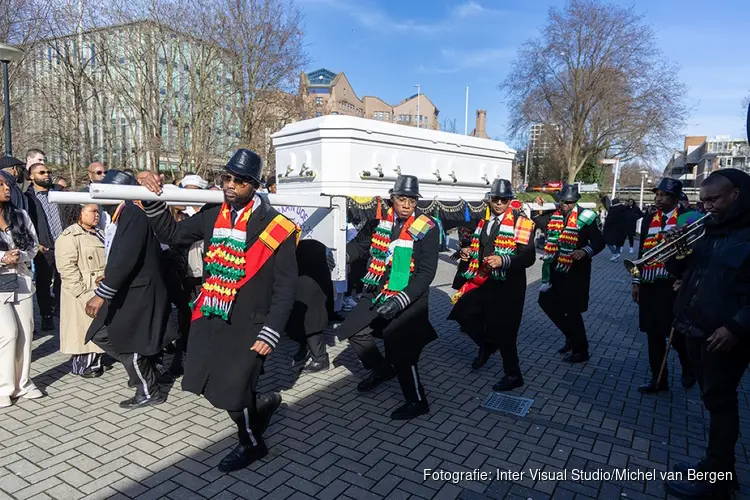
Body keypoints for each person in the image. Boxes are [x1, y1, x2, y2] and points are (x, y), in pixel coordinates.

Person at [139, 149, 296, 472]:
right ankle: (263, 403)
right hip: (214, 316)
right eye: (227, 177)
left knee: (232, 392)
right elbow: (172, 234)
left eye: (239, 181)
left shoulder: (278, 226)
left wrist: (272, 331)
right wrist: (151, 198)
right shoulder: (213, 215)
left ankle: (252, 444)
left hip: (253, 325)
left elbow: (285, 287)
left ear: (254, 185)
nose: (230, 185)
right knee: (211, 384)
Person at [665, 169, 750, 499]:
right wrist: (678, 249)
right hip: (694, 328)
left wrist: (736, 326)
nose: (707, 207)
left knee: (721, 403)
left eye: (713, 200)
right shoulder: (707, 229)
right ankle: (717, 466)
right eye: (703, 201)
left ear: (736, 195)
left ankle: (718, 480)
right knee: (712, 400)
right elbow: (678, 271)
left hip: (724, 335)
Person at [337, 175, 439, 420]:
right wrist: (342, 257)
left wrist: (400, 300)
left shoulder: (427, 227)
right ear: (392, 198)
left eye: (412, 200)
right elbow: (360, 246)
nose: (406, 205)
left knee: (402, 352)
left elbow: (426, 273)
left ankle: (417, 400)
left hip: (409, 295)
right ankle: (381, 370)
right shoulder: (378, 222)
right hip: (377, 289)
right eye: (401, 199)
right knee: (354, 331)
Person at [84, 170, 176, 409]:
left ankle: (147, 389)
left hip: (139, 292)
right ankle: (144, 371)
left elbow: (126, 257)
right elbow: (125, 256)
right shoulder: (121, 215)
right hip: (131, 288)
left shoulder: (132, 213)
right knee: (106, 335)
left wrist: (102, 294)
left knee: (127, 343)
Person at [447, 179, 535, 391]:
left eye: (503, 200)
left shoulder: (520, 223)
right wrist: (466, 252)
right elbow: (479, 248)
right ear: (489, 200)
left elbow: (528, 257)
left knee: (506, 332)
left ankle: (514, 375)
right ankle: (486, 346)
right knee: (461, 313)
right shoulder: (483, 222)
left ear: (510, 201)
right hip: (483, 281)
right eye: (495, 199)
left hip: (508, 287)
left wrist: (504, 260)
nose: (498, 203)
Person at [631, 178, 694, 394]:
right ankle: (658, 379)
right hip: (649, 282)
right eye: (657, 194)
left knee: (675, 334)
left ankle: (689, 366)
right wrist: (636, 280)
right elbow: (642, 253)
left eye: (664, 194)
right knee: (652, 334)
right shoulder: (649, 219)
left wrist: (684, 278)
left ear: (675, 198)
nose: (658, 198)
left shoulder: (687, 218)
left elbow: (694, 255)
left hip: (672, 284)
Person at [538, 184, 604, 363]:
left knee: (573, 311)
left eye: (568, 201)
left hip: (577, 271)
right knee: (545, 302)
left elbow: (599, 242)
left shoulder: (587, 217)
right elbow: (540, 222)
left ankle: (581, 350)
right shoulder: (556, 215)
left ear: (575, 201)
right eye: (562, 200)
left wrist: (585, 251)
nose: (564, 204)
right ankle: (571, 336)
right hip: (556, 270)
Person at [0, 176, 43, 408]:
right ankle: (4, 387)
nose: (6, 188)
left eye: (7, 185)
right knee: (8, 334)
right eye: (0, 185)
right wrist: (2, 258)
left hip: (22, 278)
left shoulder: (20, 215)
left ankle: (23, 383)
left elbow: (33, 245)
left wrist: (19, 256)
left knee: (26, 333)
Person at [55, 204, 106, 378]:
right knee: (82, 329)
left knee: (95, 327)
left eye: (98, 211)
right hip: (82, 290)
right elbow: (66, 268)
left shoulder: (100, 232)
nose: (97, 215)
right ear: (79, 214)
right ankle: (84, 365)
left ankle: (95, 361)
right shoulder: (69, 236)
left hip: (99, 287)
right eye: (92, 211)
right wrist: (81, 292)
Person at [25, 162, 64, 331]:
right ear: (32, 176)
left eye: (48, 171)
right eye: (41, 172)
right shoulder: (28, 198)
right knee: (43, 282)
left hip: (63, 243)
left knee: (63, 280)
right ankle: (46, 314)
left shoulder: (58, 193)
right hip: (44, 247)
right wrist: (35, 243)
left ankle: (61, 311)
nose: (46, 174)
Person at [287, 239, 334, 373]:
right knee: (298, 317)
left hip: (315, 272)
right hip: (298, 270)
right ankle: (304, 346)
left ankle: (320, 358)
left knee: (312, 318)